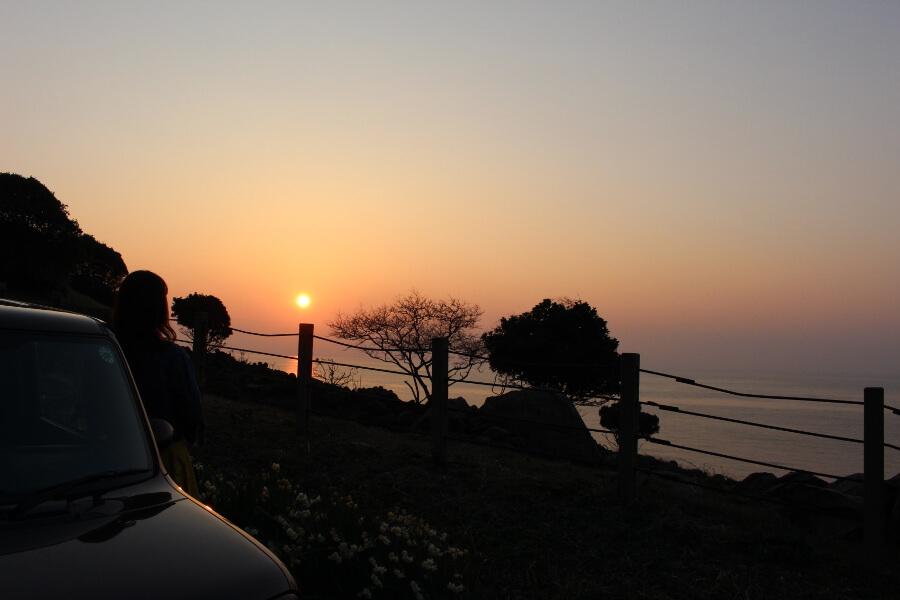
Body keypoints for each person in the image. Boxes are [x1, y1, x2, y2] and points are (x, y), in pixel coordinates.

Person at [112, 270, 202, 497]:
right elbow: (192, 418)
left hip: (108, 459)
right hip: (163, 462)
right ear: (159, 309)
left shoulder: (105, 348)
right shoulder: (173, 358)